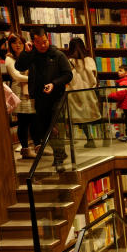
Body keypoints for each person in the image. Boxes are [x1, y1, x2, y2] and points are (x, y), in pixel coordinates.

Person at [14, 27, 73, 166]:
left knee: (55, 126)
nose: (43, 45)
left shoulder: (57, 55)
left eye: (45, 41)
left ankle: (58, 156)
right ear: (33, 42)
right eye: (39, 42)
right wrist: (25, 53)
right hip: (40, 98)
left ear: (48, 39)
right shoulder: (32, 54)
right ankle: (60, 151)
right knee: (45, 128)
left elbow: (68, 75)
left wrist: (54, 83)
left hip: (57, 97)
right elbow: (19, 66)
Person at [4, 34, 37, 159]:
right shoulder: (9, 59)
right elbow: (16, 76)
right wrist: (34, 79)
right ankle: (25, 150)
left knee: (34, 120)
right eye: (15, 43)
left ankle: (37, 146)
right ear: (10, 45)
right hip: (19, 92)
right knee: (23, 121)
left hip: (30, 91)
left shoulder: (27, 56)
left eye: (20, 43)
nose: (18, 45)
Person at [65, 37, 102, 149]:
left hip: (73, 94)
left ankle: (72, 142)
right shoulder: (89, 60)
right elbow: (94, 77)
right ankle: (91, 139)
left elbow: (66, 78)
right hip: (88, 92)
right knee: (86, 117)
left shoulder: (68, 61)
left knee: (73, 118)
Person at [107, 64, 127, 143]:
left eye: (121, 71)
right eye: (118, 70)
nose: (118, 72)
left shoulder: (123, 83)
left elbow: (120, 95)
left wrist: (110, 95)